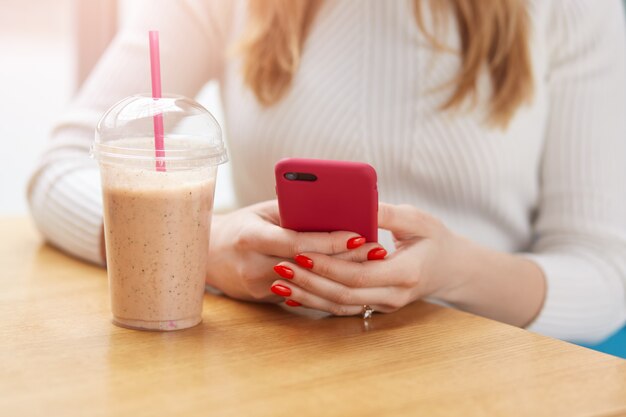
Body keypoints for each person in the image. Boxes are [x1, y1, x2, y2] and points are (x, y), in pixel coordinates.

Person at [28, 0, 626, 345]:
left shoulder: (572, 11)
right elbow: (59, 173)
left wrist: (455, 272)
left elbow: (605, 273)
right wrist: (202, 248)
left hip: (478, 371)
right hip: (279, 370)